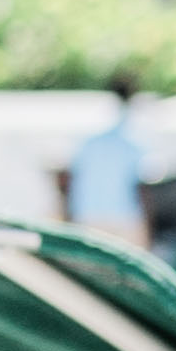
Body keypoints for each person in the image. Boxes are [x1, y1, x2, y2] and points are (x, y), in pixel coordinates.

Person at [68, 72, 151, 244]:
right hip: (122, 217)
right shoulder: (133, 138)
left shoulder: (89, 140)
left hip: (88, 215)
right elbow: (141, 186)